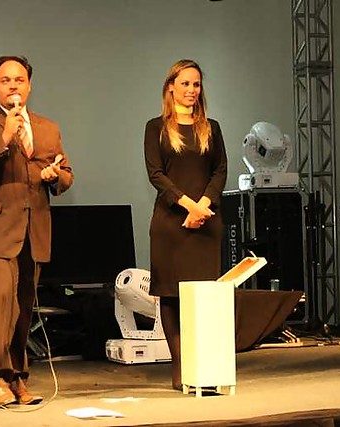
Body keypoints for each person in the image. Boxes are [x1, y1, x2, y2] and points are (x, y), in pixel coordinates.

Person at [0, 55, 74, 407]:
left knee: (23, 309)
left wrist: (54, 176)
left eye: (19, 80)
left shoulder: (47, 127)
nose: (13, 86)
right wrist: (6, 137)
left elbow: (66, 174)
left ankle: (18, 378)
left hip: (33, 231)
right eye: (5, 80)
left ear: (29, 85)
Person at [143, 59, 227, 390]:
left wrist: (203, 205)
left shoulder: (212, 127)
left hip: (206, 222)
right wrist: (188, 205)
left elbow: (220, 170)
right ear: (170, 88)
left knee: (204, 298)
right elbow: (156, 174)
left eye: (196, 84)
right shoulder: (156, 127)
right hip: (171, 223)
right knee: (171, 295)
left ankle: (204, 367)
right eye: (185, 84)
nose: (192, 90)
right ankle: (181, 367)